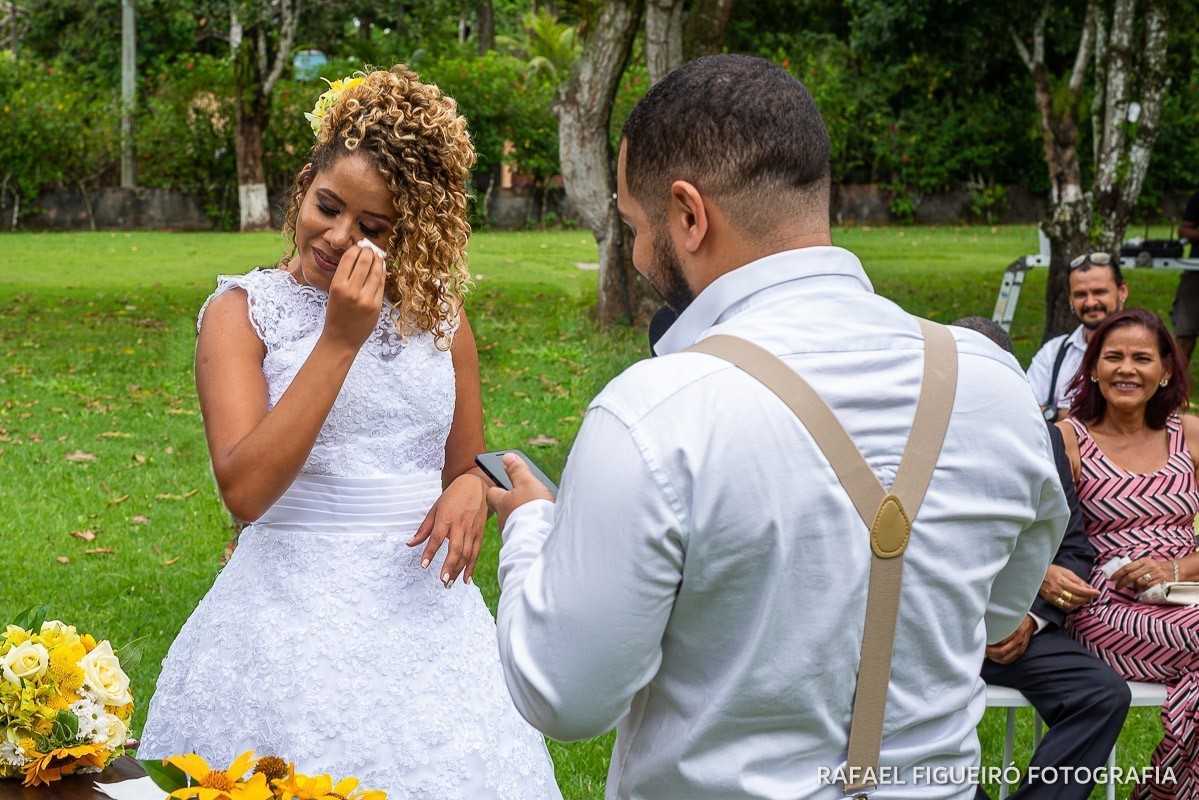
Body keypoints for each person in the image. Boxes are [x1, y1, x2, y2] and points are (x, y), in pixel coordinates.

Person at [486, 55, 1068, 800]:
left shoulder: (656, 414)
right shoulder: (995, 386)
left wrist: (532, 529)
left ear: (688, 215)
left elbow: (562, 698)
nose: (634, 253)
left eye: (633, 226)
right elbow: (993, 613)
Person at [137, 66, 561, 799]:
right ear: (302, 185)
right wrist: (339, 339)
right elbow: (244, 492)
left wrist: (473, 484)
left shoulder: (442, 320)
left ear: (413, 231)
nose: (337, 237)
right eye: (326, 207)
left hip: (426, 619)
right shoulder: (243, 314)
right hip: (288, 620)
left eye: (372, 229)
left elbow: (477, 460)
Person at [952, 317, 1131, 800]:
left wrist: (1028, 617)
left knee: (1103, 695)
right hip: (937, 628)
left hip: (1019, 630)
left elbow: (1074, 548)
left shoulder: (1043, 438)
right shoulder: (905, 434)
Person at [1057, 307, 1199, 800]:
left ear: (1165, 371)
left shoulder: (1192, 434)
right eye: (1112, 357)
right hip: (1105, 604)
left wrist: (1176, 567)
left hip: (1186, 591)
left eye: (1142, 358)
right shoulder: (1069, 438)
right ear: (1093, 368)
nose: (1126, 369)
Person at [1026, 252, 1128, 421]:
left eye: (1099, 292)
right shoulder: (1053, 352)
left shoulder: (1145, 350)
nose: (1090, 303)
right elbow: (1024, 412)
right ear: (1070, 300)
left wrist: (1055, 414)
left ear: (1122, 291)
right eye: (1081, 295)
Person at [1169, 190, 1199, 363]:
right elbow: (1184, 230)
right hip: (1196, 273)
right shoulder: (1198, 198)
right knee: (1185, 330)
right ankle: (1175, 386)